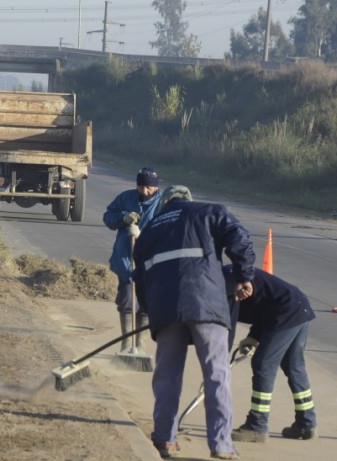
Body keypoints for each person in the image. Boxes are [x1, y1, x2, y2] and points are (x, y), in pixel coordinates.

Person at [132, 185, 256, 460]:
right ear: (187, 200)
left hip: (166, 310)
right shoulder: (208, 211)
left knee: (167, 377)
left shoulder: (150, 230)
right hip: (206, 305)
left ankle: (165, 440)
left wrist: (153, 312)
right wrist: (243, 276)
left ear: (165, 205)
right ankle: (221, 445)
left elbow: (139, 279)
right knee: (216, 375)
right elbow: (240, 237)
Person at [223, 266, 318, 443]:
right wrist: (253, 336)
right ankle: (307, 422)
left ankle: (257, 426)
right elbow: (264, 304)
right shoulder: (227, 276)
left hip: (287, 311)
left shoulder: (225, 285)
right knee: (293, 366)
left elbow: (228, 327)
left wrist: (218, 363)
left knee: (263, 365)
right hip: (297, 305)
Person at [102, 167, 162, 352]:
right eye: (141, 187)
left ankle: (139, 346)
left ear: (156, 188)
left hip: (152, 263)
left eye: (148, 188)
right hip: (127, 258)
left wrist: (143, 234)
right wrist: (124, 218)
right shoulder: (125, 198)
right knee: (128, 301)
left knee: (146, 306)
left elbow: (169, 228)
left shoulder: (163, 204)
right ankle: (126, 345)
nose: (144, 191)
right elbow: (108, 217)